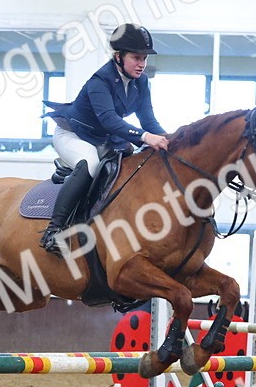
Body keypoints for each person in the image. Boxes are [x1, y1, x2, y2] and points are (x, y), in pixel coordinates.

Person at [40, 23, 170, 255]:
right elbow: (110, 119)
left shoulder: (141, 82)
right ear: (118, 57)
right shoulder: (100, 81)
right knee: (89, 163)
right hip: (73, 135)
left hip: (102, 138)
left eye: (144, 59)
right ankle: (54, 231)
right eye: (136, 58)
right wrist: (145, 137)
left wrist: (171, 140)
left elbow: (149, 122)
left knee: (130, 161)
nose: (142, 64)